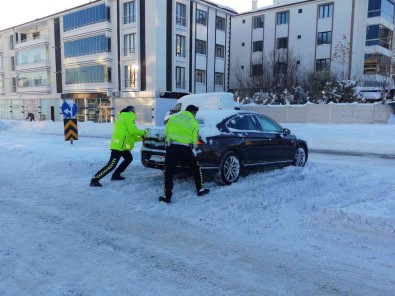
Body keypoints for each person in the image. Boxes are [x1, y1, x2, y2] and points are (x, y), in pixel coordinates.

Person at [159, 104, 209, 203]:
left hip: (172, 147)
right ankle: (200, 189)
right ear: (193, 112)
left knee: (168, 172)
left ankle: (167, 196)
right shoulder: (194, 122)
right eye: (195, 113)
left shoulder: (173, 118)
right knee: (196, 168)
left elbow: (167, 133)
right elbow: (194, 142)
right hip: (185, 149)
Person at [90, 106, 146, 187]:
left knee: (128, 158)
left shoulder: (123, 117)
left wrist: (141, 138)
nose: (135, 113)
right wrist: (145, 132)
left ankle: (116, 175)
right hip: (119, 146)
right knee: (111, 165)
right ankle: (95, 179)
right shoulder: (128, 116)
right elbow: (133, 131)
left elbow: (130, 136)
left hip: (122, 145)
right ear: (131, 111)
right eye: (134, 111)